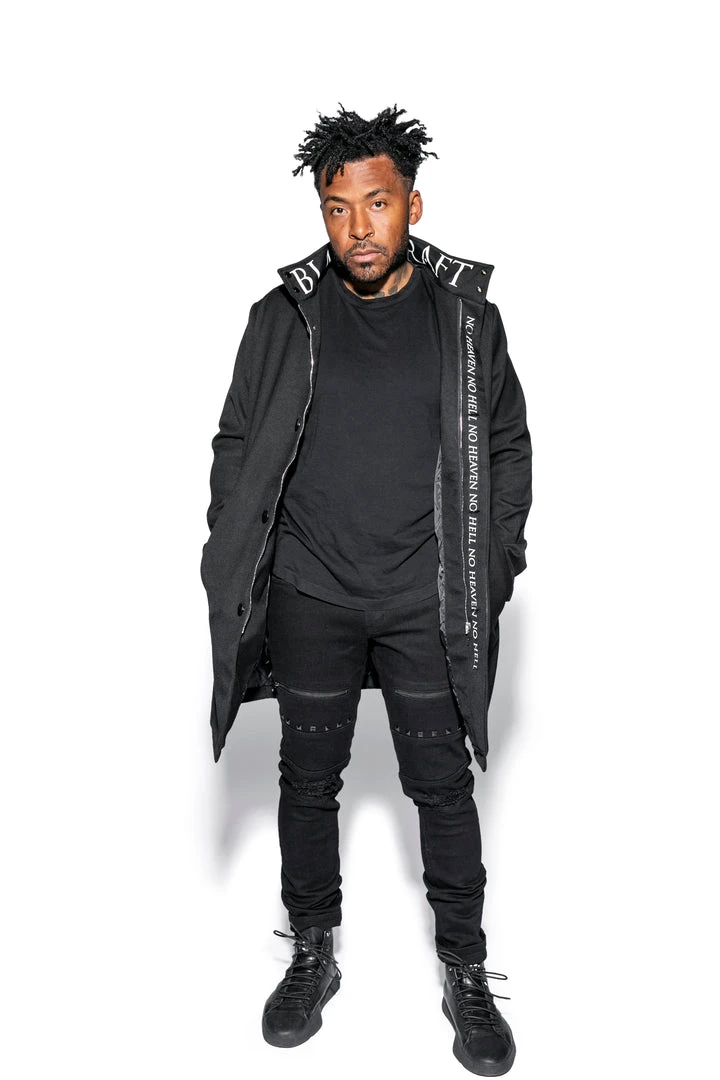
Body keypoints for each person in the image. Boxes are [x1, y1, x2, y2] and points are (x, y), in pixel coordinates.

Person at [200, 105, 532, 1075]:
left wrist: (494, 564)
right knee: (307, 782)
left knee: (442, 785)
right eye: (338, 208)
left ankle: (465, 969)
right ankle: (313, 953)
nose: (358, 228)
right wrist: (240, 545)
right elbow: (235, 440)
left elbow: (507, 446)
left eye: (377, 203)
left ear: (412, 204)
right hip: (312, 592)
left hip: (428, 596)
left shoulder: (466, 321)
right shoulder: (282, 316)